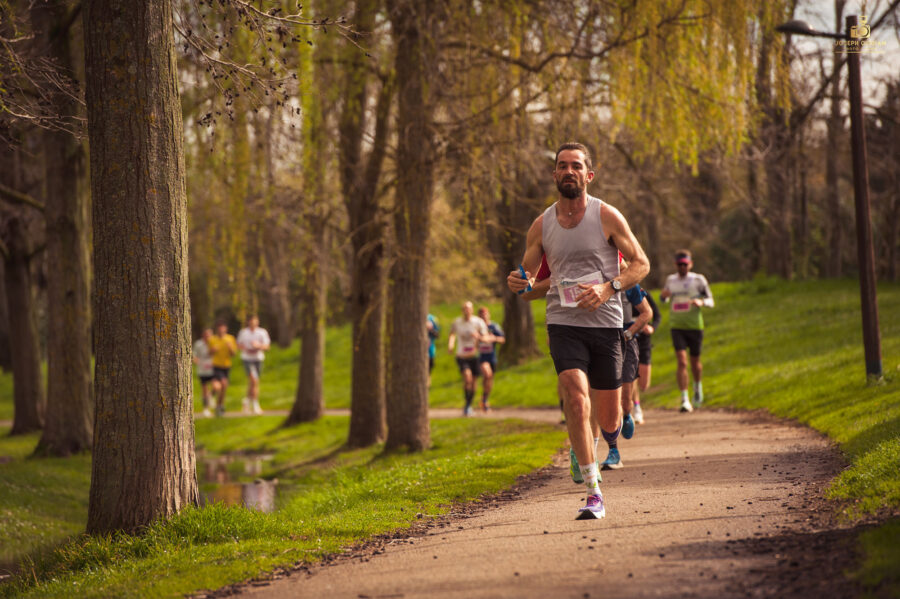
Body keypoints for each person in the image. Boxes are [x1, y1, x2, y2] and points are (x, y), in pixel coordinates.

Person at [507, 141, 650, 520]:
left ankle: (591, 440)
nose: (568, 171)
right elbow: (530, 285)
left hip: (605, 325)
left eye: (576, 166)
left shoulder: (607, 216)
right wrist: (520, 285)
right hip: (563, 324)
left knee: (608, 419)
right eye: (562, 166)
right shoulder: (542, 225)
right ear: (554, 174)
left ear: (588, 175)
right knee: (574, 394)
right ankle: (593, 492)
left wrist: (609, 288)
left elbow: (640, 264)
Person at [600, 282, 651, 470]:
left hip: (626, 341)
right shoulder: (592, 279)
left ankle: (628, 413)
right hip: (601, 341)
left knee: (624, 400)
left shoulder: (629, 284)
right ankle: (613, 451)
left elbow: (647, 313)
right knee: (606, 400)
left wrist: (629, 333)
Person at [660, 249, 714, 413]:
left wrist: (701, 302)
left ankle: (697, 387)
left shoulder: (698, 279)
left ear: (690, 264)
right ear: (676, 265)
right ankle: (684, 399)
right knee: (682, 362)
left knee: (695, 363)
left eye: (685, 264)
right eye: (679, 264)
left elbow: (711, 300)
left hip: (695, 326)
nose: (682, 267)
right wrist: (664, 296)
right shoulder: (671, 280)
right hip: (677, 326)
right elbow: (664, 299)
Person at [448, 301, 488, 416]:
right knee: (467, 377)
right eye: (464, 308)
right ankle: (467, 405)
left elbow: (485, 337)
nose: (467, 310)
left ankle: (468, 405)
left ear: (472, 310)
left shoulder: (478, 322)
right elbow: (452, 334)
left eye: (468, 308)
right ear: (462, 310)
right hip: (461, 355)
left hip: (474, 355)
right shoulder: (457, 322)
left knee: (474, 382)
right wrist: (450, 345)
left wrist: (478, 337)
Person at [632, 291, 660, 424]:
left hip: (644, 342)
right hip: (629, 340)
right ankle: (636, 407)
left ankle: (635, 402)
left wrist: (652, 328)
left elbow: (657, 315)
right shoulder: (620, 294)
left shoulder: (642, 294)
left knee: (643, 384)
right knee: (631, 377)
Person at [237, 315, 271, 415]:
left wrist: (258, 346)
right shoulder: (243, 332)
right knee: (254, 380)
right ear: (248, 322)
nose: (253, 323)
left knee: (254, 382)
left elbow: (267, 346)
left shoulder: (262, 332)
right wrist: (245, 348)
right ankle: (255, 404)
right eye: (251, 321)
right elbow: (239, 344)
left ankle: (247, 400)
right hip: (247, 358)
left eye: (254, 321)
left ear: (257, 322)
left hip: (258, 359)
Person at [476, 306, 505, 412]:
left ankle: (485, 398)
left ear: (489, 315)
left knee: (489, 378)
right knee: (487, 374)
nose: (484, 316)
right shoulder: (476, 327)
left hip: (491, 356)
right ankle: (484, 400)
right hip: (480, 357)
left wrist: (493, 338)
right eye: (481, 315)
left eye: (485, 314)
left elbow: (502, 339)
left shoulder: (494, 326)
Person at [208, 320, 238, 417]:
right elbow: (209, 353)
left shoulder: (230, 338)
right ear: (217, 329)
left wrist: (230, 348)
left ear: (226, 328)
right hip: (216, 365)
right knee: (221, 385)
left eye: (223, 327)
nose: (221, 330)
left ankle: (219, 405)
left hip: (226, 366)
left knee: (223, 387)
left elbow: (233, 354)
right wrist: (213, 350)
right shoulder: (212, 339)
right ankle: (212, 396)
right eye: (219, 328)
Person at [192, 328, 215, 418]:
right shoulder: (198, 344)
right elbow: (194, 355)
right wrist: (197, 361)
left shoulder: (214, 343)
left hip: (213, 368)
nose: (208, 337)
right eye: (206, 335)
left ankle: (211, 397)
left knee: (215, 386)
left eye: (209, 335)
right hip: (202, 369)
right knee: (204, 389)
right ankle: (206, 408)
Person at [426, 313, 440, 388]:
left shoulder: (432, 318)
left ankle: (427, 388)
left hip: (430, 350)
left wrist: (430, 329)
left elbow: (437, 334)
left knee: (428, 371)